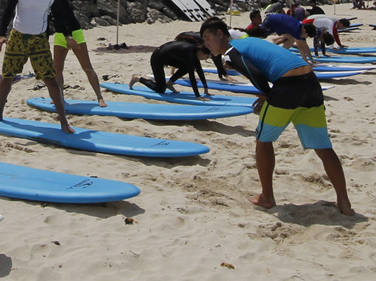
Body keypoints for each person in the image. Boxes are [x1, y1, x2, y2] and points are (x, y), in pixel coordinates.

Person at [205, 18, 352, 214]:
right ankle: (344, 202)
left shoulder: (231, 52)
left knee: (263, 141)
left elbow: (253, 73)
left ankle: (267, 197)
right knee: (324, 148)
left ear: (220, 34)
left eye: (207, 38)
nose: (206, 44)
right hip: (311, 84)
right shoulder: (251, 41)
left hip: (287, 89)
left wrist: (266, 95)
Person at [0, 0, 74, 132]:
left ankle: (64, 122)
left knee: (50, 79)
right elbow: (9, 9)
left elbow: (58, 14)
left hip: (39, 39)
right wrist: (1, 34)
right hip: (18, 36)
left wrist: (66, 35)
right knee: (7, 77)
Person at [50, 0, 105, 106]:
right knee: (57, 69)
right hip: (60, 35)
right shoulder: (43, 1)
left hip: (74, 32)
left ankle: (100, 97)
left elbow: (67, 16)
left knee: (86, 67)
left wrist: (69, 37)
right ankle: (59, 96)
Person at [138, 30, 215, 98]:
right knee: (161, 89)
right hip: (157, 58)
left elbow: (199, 70)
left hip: (168, 58)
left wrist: (205, 88)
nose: (205, 59)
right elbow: (192, 76)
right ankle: (138, 78)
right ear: (203, 53)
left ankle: (169, 83)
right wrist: (198, 96)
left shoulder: (195, 52)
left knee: (187, 67)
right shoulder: (190, 52)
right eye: (206, 57)